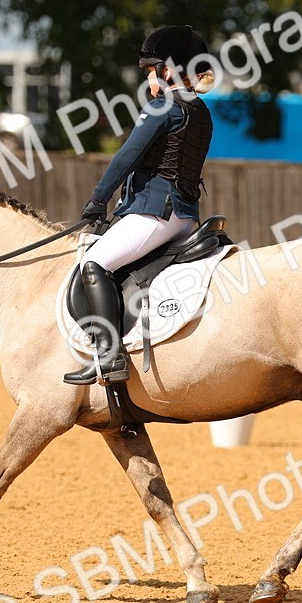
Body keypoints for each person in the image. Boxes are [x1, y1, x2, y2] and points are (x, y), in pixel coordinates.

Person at [64, 25, 215, 385]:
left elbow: (126, 157)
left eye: (151, 69)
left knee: (93, 263)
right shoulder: (202, 111)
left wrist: (98, 201)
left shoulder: (163, 106)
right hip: (186, 217)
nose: (148, 76)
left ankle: (109, 356)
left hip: (155, 212)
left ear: (169, 70)